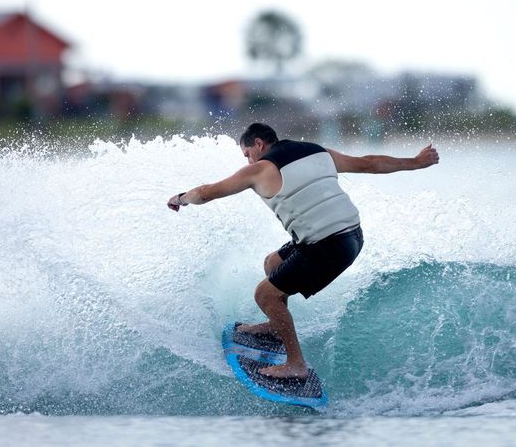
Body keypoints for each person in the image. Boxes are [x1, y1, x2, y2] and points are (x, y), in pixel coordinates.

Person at [167, 123, 439, 379]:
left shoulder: (259, 169)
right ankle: (276, 328)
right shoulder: (317, 151)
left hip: (329, 245)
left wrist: (181, 198)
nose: (248, 161)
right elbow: (369, 163)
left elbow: (206, 192)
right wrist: (416, 162)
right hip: (352, 237)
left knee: (264, 294)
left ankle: (296, 364)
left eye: (247, 154)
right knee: (272, 263)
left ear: (259, 144)